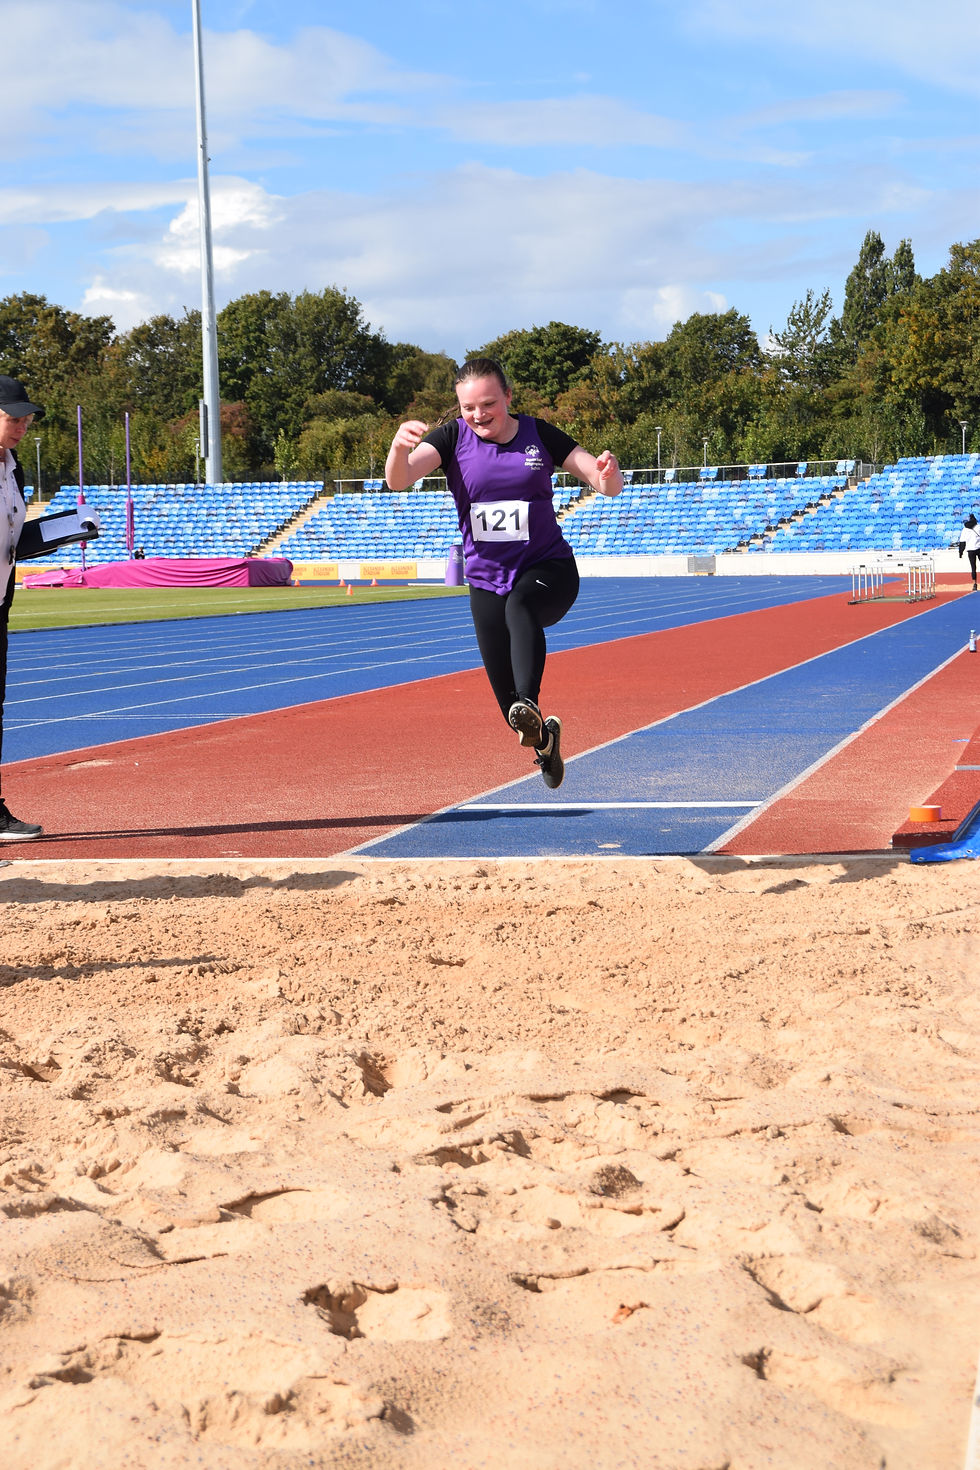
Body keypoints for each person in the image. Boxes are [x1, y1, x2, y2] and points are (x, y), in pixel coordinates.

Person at [385, 357, 622, 788]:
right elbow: (399, 480)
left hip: (548, 570)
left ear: (508, 397)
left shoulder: (539, 434)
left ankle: (529, 701)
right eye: (469, 407)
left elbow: (600, 479)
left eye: (489, 404)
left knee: (522, 606)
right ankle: (544, 741)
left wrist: (608, 475)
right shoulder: (452, 437)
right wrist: (398, 450)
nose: (478, 415)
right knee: (508, 708)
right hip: (485, 580)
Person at [0, 375, 45, 840]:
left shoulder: (14, 469)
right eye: (13, 418)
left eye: (26, 420)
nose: (21, 427)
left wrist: (55, 536)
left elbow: (12, 536)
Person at [958, 514, 980, 590]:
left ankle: (974, 584)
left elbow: (962, 542)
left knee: (973, 567)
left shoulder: (965, 529)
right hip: (979, 548)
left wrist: (960, 552)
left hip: (970, 550)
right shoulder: (978, 527)